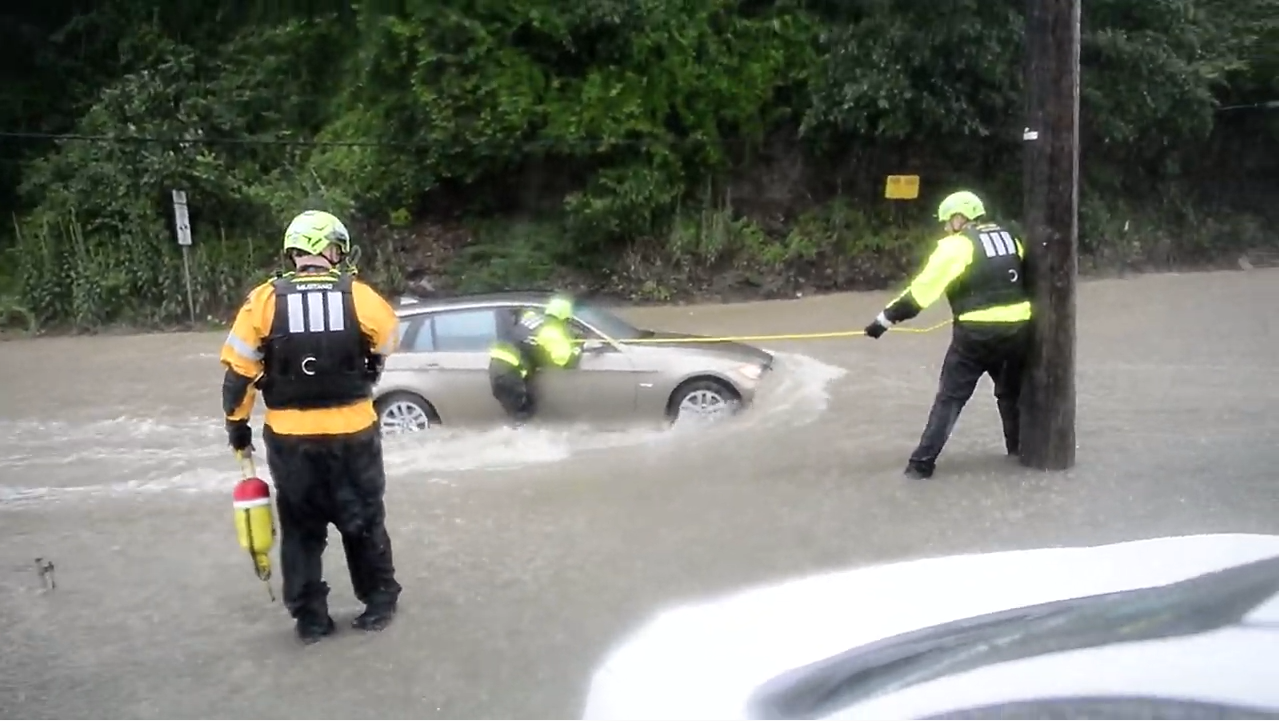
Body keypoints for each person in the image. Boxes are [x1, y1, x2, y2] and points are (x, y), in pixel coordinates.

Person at [219, 209, 403, 643]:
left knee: (301, 531)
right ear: (333, 251)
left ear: (295, 253)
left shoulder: (262, 300)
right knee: (363, 520)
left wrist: (237, 427)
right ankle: (378, 603)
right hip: (354, 435)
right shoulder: (358, 295)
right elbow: (390, 338)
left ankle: (311, 619)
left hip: (290, 441)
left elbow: (238, 374)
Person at [863, 190, 1032, 480]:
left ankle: (921, 465)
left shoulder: (956, 246)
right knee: (1010, 394)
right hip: (1018, 332)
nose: (944, 228)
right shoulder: (1011, 238)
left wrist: (883, 321)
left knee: (950, 399)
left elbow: (920, 293)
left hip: (976, 337)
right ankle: (1017, 453)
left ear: (959, 218)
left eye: (947, 221)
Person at [487, 294, 581, 425]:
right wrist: (577, 348)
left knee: (523, 410)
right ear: (565, 318)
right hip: (510, 373)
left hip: (498, 367)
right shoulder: (551, 332)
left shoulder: (531, 317)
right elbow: (566, 361)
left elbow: (529, 338)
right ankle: (517, 442)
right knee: (522, 417)